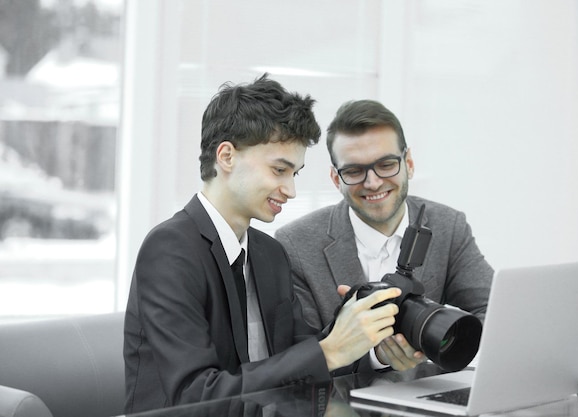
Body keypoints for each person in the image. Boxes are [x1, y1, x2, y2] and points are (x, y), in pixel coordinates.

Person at [123, 76, 408, 413]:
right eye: (279, 170)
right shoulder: (170, 249)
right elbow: (195, 396)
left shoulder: (268, 253)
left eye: (295, 173)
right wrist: (329, 351)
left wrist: (368, 345)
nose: (290, 190)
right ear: (226, 156)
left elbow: (301, 358)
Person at [275, 99, 493, 358]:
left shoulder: (448, 226)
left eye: (387, 164)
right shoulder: (296, 244)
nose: (373, 182)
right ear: (336, 179)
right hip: (340, 397)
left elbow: (495, 313)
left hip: (424, 391)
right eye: (354, 171)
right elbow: (298, 357)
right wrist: (375, 358)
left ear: (408, 163)